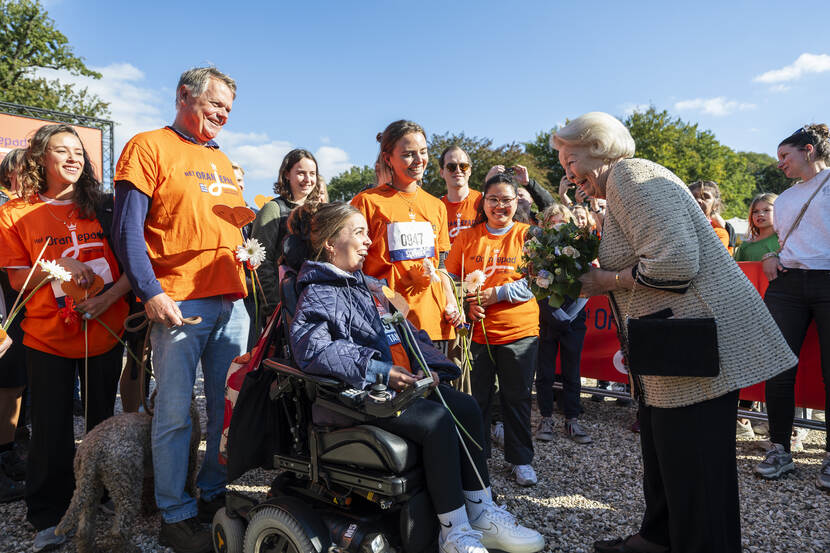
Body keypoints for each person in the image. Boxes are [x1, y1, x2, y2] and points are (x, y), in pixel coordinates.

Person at [553, 112, 795, 553]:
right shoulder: (623, 182)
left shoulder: (630, 176)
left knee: (695, 470)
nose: (568, 175)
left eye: (570, 162)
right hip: (672, 354)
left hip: (691, 355)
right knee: (669, 458)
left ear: (597, 147)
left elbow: (674, 264)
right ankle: (658, 538)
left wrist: (603, 281)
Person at [289, 202, 544, 553]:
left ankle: (482, 513)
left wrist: (433, 368)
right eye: (359, 233)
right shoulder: (317, 292)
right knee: (438, 421)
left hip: (398, 387)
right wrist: (377, 369)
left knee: (467, 408)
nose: (368, 242)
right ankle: (453, 531)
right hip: (357, 396)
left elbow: (411, 336)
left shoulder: (371, 286)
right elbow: (313, 350)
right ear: (331, 243)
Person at [112, 66, 250, 553]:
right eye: (216, 104)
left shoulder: (224, 159)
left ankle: (213, 493)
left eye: (229, 110)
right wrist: (149, 291)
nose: (223, 115)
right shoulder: (147, 146)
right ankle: (175, 513)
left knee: (224, 411)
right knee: (173, 413)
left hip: (231, 302)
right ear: (183, 95)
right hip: (177, 300)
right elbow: (127, 229)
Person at [0, 124, 131, 552]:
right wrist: (59, 265)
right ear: (41, 158)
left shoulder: (107, 207)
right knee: (51, 431)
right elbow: (18, 277)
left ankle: (97, 500)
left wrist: (105, 297)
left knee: (101, 426)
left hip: (105, 333)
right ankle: (49, 515)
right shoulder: (14, 212)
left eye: (79, 151)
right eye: (62, 151)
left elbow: (134, 265)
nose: (74, 158)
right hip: (46, 337)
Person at [446, 173, 540, 487]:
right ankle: (477, 457)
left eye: (507, 200)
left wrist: (496, 295)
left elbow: (539, 282)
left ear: (518, 202)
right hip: (477, 332)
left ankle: (521, 459)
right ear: (483, 202)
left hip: (520, 331)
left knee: (517, 398)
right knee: (477, 400)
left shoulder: (529, 236)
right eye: (493, 199)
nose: (500, 206)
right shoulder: (467, 237)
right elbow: (450, 281)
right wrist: (468, 305)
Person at [756, 124, 830, 490]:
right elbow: (786, 243)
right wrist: (772, 254)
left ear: (809, 150)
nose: (780, 163)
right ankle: (779, 448)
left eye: (786, 155)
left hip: (827, 280)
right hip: (788, 285)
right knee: (778, 366)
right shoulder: (783, 199)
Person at [351, 121, 460, 353]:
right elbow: (351, 264)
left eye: (423, 152)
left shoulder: (436, 205)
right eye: (408, 154)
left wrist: (451, 301)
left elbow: (440, 264)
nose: (419, 160)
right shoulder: (367, 202)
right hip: (389, 322)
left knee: (440, 388)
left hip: (434, 321)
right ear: (388, 158)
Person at [533, 203, 592, 444]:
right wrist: (555, 315)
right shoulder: (538, 252)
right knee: (545, 372)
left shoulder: (580, 250)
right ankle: (545, 417)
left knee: (572, 371)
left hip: (574, 319)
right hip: (548, 318)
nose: (558, 226)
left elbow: (587, 285)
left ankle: (572, 419)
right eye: (553, 222)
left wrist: (569, 316)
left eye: (562, 222)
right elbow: (537, 286)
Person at [251, 149, 323, 325]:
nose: (307, 179)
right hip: (284, 303)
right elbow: (261, 261)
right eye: (300, 173)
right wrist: (272, 306)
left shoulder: (322, 211)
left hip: (315, 300)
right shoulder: (273, 209)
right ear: (286, 175)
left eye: (312, 174)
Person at [439, 146, 481, 394]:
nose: (458, 171)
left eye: (463, 166)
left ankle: (491, 416)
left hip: (478, 283)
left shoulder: (482, 201)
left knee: (480, 353)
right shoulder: (435, 206)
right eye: (451, 166)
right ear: (442, 172)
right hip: (449, 286)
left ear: (470, 170)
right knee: (455, 352)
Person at [0, 148, 27, 504]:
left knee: (14, 385)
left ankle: (9, 453)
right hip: (4, 311)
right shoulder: (4, 210)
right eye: (27, 170)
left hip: (20, 315)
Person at [687, 180, 732, 253]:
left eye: (705, 197)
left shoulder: (719, 234)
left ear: (715, 205)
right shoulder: (676, 228)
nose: (698, 200)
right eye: (693, 197)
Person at [734, 193, 778, 262]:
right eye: (755, 211)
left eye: (766, 210)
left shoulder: (787, 241)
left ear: (779, 211)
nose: (760, 214)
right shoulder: (745, 247)